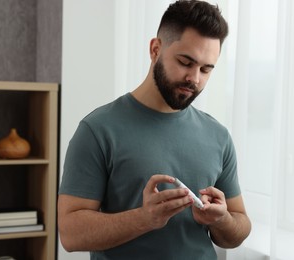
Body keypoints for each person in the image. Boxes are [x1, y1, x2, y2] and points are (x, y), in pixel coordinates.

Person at [58, 0, 251, 259]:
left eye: (206, 69)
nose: (194, 78)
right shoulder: (98, 130)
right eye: (185, 62)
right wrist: (144, 219)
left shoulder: (218, 136)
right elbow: (70, 234)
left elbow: (239, 229)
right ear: (155, 49)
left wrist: (221, 219)